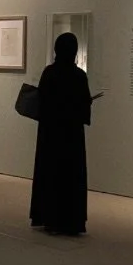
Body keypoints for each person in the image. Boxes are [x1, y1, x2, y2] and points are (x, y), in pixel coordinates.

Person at [29, 32, 100, 236]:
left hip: (50, 134)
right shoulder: (79, 76)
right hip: (71, 136)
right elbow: (82, 107)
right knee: (70, 176)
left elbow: (42, 101)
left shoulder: (49, 73)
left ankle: (49, 217)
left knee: (50, 173)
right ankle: (70, 221)